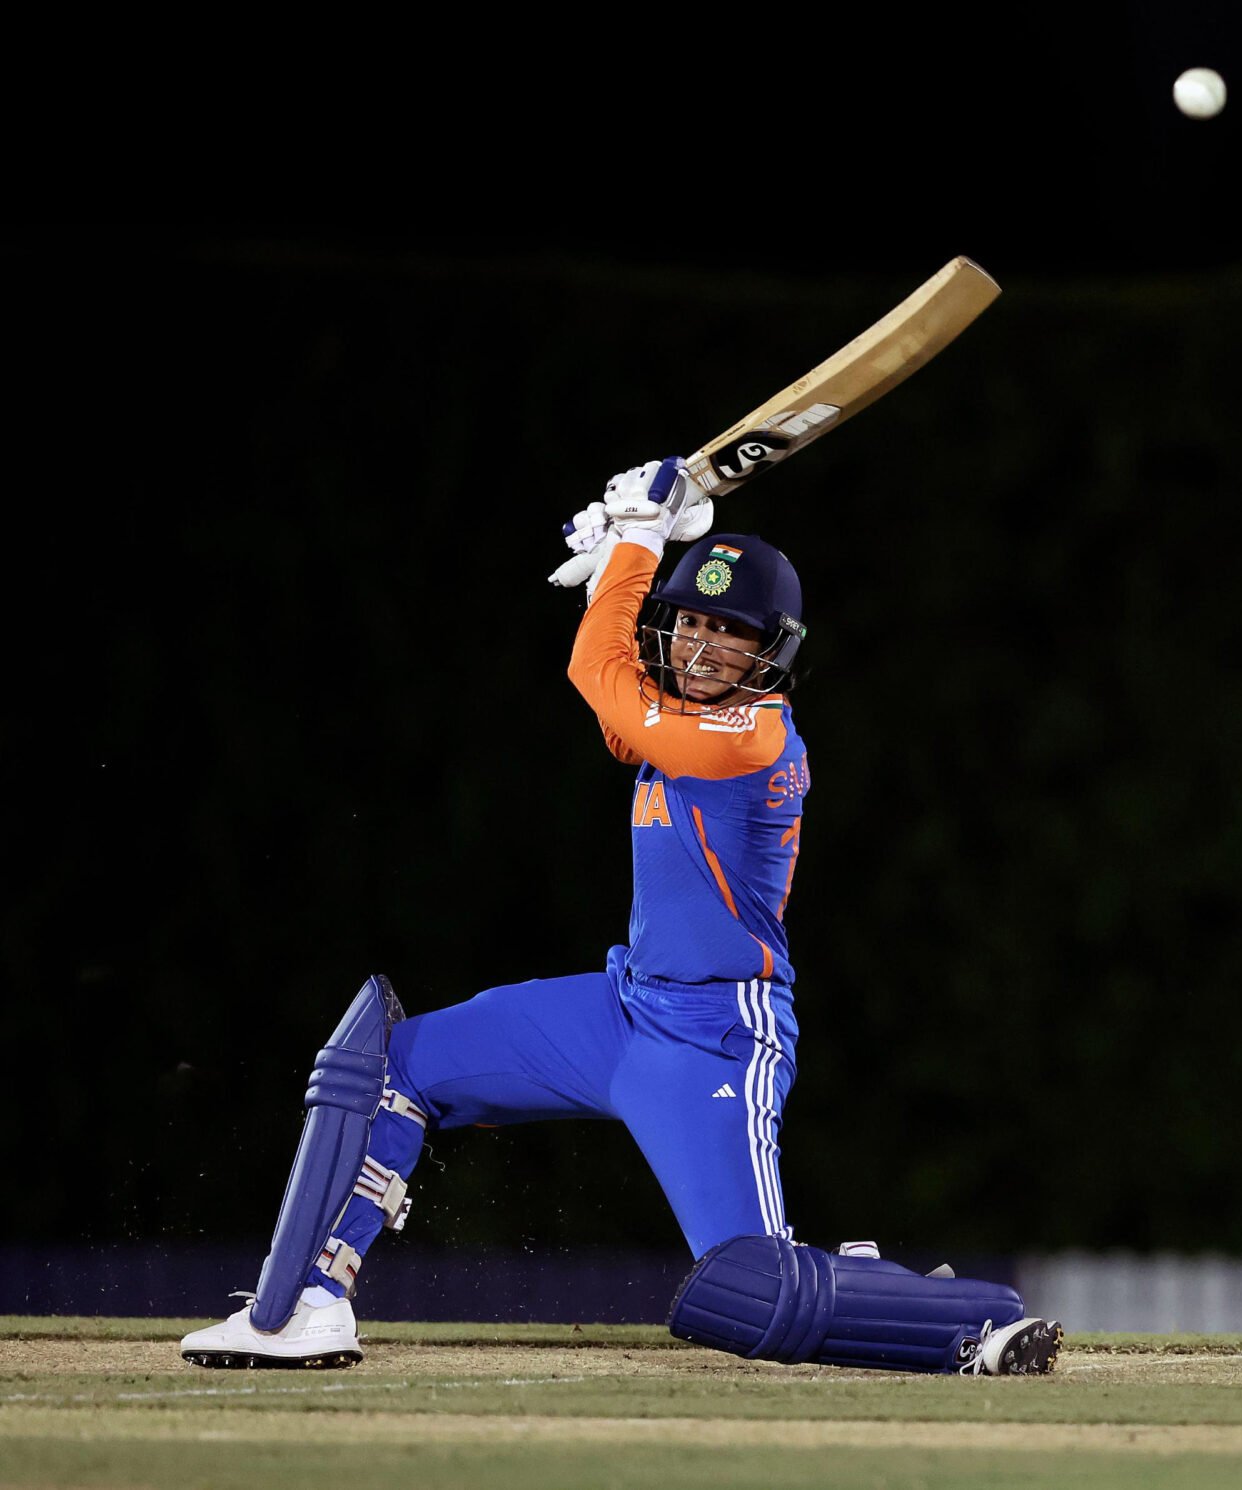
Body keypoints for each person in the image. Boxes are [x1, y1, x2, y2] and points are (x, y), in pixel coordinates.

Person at [178, 459, 1063, 1376]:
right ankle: (308, 1304)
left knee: (746, 1288)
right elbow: (616, 695)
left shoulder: (755, 736)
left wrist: (636, 545)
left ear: (773, 650)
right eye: (692, 623)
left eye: (731, 630)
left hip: (717, 1035)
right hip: (622, 1008)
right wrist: (614, 572)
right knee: (391, 1067)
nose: (701, 647)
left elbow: (595, 673)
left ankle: (962, 1320)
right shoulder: (676, 715)